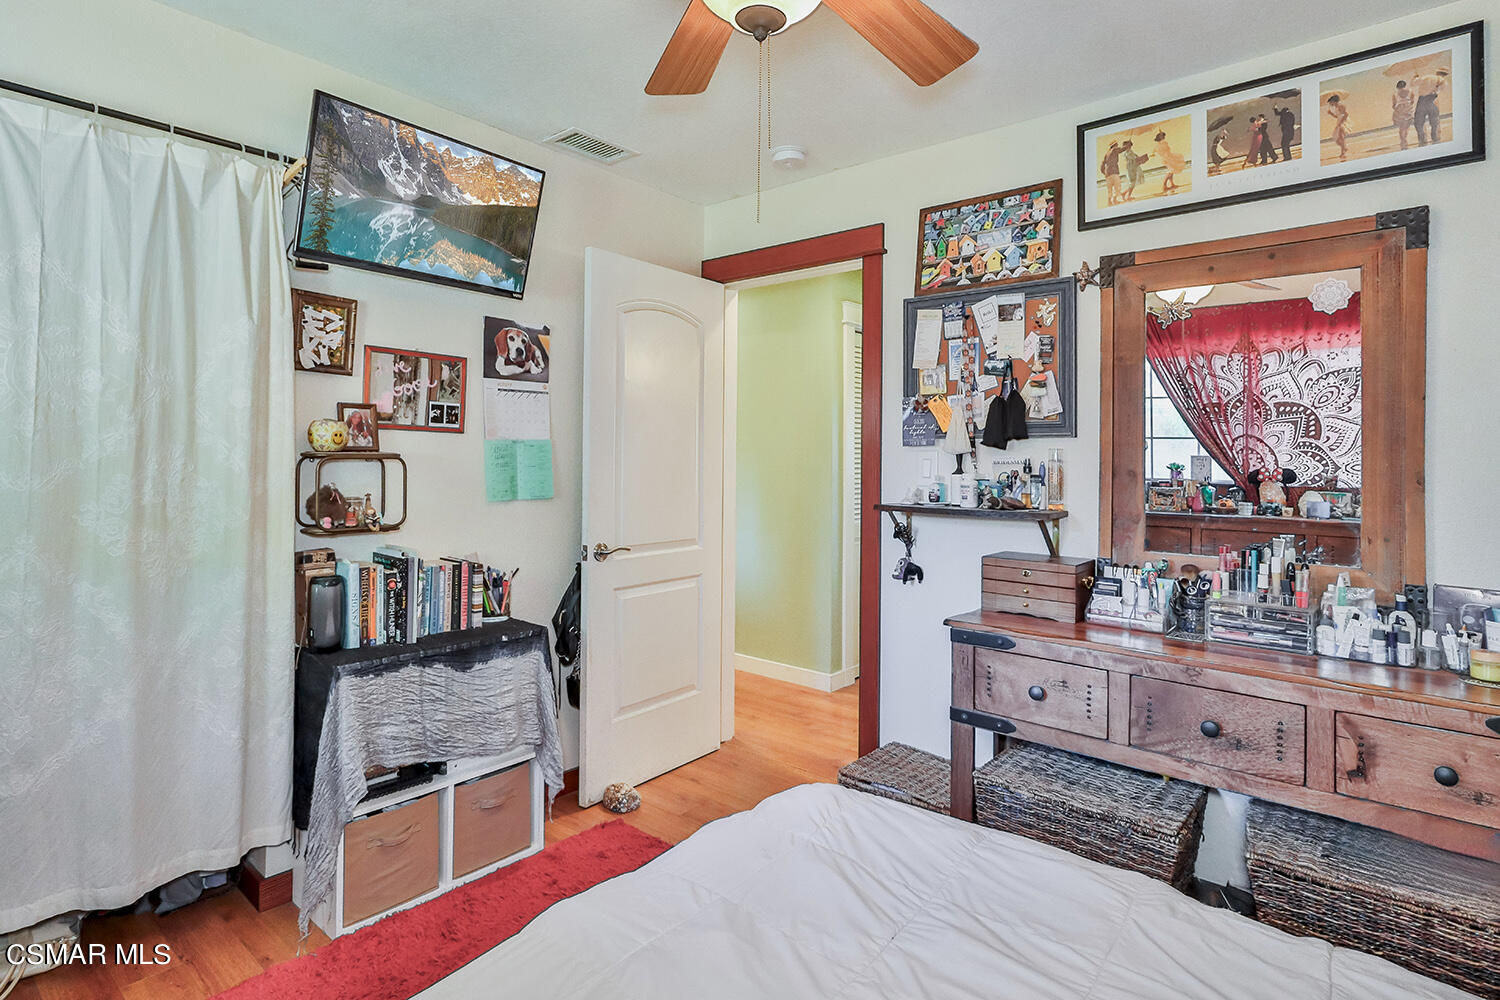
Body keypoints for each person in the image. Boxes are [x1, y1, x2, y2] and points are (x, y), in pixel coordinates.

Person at [1410, 68, 1448, 146]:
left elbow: (1413, 84)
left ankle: (1422, 139)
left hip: (1422, 101)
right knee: (1434, 122)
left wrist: (1415, 77)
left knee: (1419, 122)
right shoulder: (1444, 82)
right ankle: (1435, 138)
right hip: (1433, 101)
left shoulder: (1427, 77)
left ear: (1437, 72)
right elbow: (1439, 91)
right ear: (1445, 74)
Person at [1391, 79, 1416, 150]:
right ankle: (1405, 140)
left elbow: (1393, 105)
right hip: (1408, 111)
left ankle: (1403, 141)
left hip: (1399, 112)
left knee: (1401, 128)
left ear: (1397, 86)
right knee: (1406, 127)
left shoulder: (1395, 94)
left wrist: (1399, 107)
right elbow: (1412, 101)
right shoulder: (1411, 92)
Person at [1326, 95, 1348, 162]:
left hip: (1342, 122)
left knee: (1340, 137)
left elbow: (1346, 114)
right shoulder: (1336, 107)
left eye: (1331, 102)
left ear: (1334, 101)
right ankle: (1344, 148)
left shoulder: (1341, 106)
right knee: (1336, 138)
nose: (1330, 104)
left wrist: (1341, 123)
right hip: (1339, 122)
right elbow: (1337, 116)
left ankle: (1343, 152)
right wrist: (1331, 114)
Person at [1101, 140, 1122, 205]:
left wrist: (1104, 173)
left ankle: (1109, 202)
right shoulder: (1114, 150)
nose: (1118, 146)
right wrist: (1128, 145)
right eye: (1117, 144)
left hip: (1107, 174)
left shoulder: (1107, 154)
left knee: (1109, 190)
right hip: (1114, 172)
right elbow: (1122, 149)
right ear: (1115, 145)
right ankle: (1115, 200)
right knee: (1117, 187)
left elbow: (1102, 165)